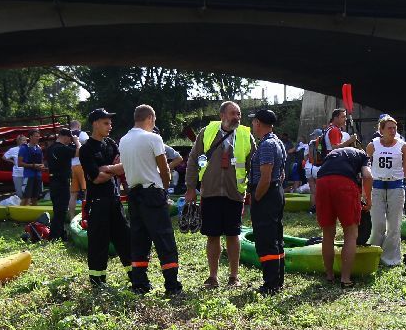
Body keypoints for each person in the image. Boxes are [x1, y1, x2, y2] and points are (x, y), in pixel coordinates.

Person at [186, 101, 255, 288]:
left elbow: (253, 165)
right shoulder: (207, 133)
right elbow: (193, 159)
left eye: (239, 114)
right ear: (222, 115)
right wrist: (191, 187)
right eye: (233, 113)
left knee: (233, 235)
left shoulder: (245, 135)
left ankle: (234, 277)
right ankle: (213, 277)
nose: (237, 117)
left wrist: (253, 190)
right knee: (212, 235)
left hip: (234, 194)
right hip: (210, 192)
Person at [117, 105, 182, 295]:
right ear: (150, 118)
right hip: (152, 193)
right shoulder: (154, 138)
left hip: (134, 194)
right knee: (164, 239)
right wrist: (164, 188)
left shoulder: (123, 140)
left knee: (138, 239)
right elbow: (165, 170)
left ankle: (140, 283)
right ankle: (172, 285)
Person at [79, 108, 133, 286]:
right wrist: (112, 170)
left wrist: (105, 168)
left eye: (110, 123)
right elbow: (97, 178)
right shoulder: (86, 149)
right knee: (98, 243)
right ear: (95, 124)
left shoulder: (110, 143)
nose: (110, 126)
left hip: (115, 200)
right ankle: (97, 281)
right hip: (97, 203)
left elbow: (122, 166)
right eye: (106, 123)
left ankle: (135, 276)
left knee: (125, 239)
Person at [316, 145, 372, 287]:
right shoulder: (363, 155)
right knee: (350, 233)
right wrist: (368, 199)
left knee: (328, 233)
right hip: (344, 183)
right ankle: (345, 279)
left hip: (322, 183)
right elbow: (367, 176)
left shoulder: (333, 153)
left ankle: (329, 276)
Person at [366, 115, 406, 267]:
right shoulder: (372, 145)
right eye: (389, 128)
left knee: (394, 226)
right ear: (381, 130)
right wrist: (363, 190)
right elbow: (365, 168)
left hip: (396, 187)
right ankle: (373, 254)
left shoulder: (402, 146)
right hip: (377, 188)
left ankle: (390, 259)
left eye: (395, 128)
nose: (393, 131)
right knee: (378, 224)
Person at [248, 109, 287, 294]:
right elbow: (282, 173)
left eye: (253, 122)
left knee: (266, 239)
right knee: (276, 237)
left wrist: (256, 196)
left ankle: (270, 283)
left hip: (266, 193)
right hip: (276, 191)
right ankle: (278, 280)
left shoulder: (265, 145)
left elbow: (266, 175)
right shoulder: (278, 141)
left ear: (258, 123)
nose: (252, 125)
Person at [46, 128, 77, 242]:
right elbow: (79, 151)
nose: (70, 141)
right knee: (61, 210)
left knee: (58, 209)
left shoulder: (51, 148)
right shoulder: (60, 148)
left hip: (54, 181)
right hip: (60, 182)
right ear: (65, 136)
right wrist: (77, 141)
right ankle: (55, 235)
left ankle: (60, 232)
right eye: (70, 138)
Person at [68, 120, 89, 217]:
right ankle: (86, 215)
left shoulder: (66, 135)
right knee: (86, 191)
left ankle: (72, 216)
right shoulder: (82, 134)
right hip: (81, 165)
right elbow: (88, 144)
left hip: (71, 166)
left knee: (73, 194)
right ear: (78, 126)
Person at [18, 129, 45, 206]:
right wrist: (33, 166)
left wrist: (42, 166)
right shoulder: (24, 148)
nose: (38, 138)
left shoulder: (39, 148)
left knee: (35, 197)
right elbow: (19, 163)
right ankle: (20, 213)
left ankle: (34, 214)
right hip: (29, 176)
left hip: (38, 176)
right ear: (30, 137)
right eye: (36, 136)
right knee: (26, 197)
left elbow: (41, 162)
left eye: (38, 136)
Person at [3, 135, 26, 199]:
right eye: (23, 140)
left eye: (26, 140)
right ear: (18, 141)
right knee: (19, 193)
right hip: (17, 173)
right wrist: (12, 161)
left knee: (27, 191)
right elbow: (4, 157)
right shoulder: (13, 149)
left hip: (27, 173)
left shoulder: (28, 148)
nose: (25, 142)